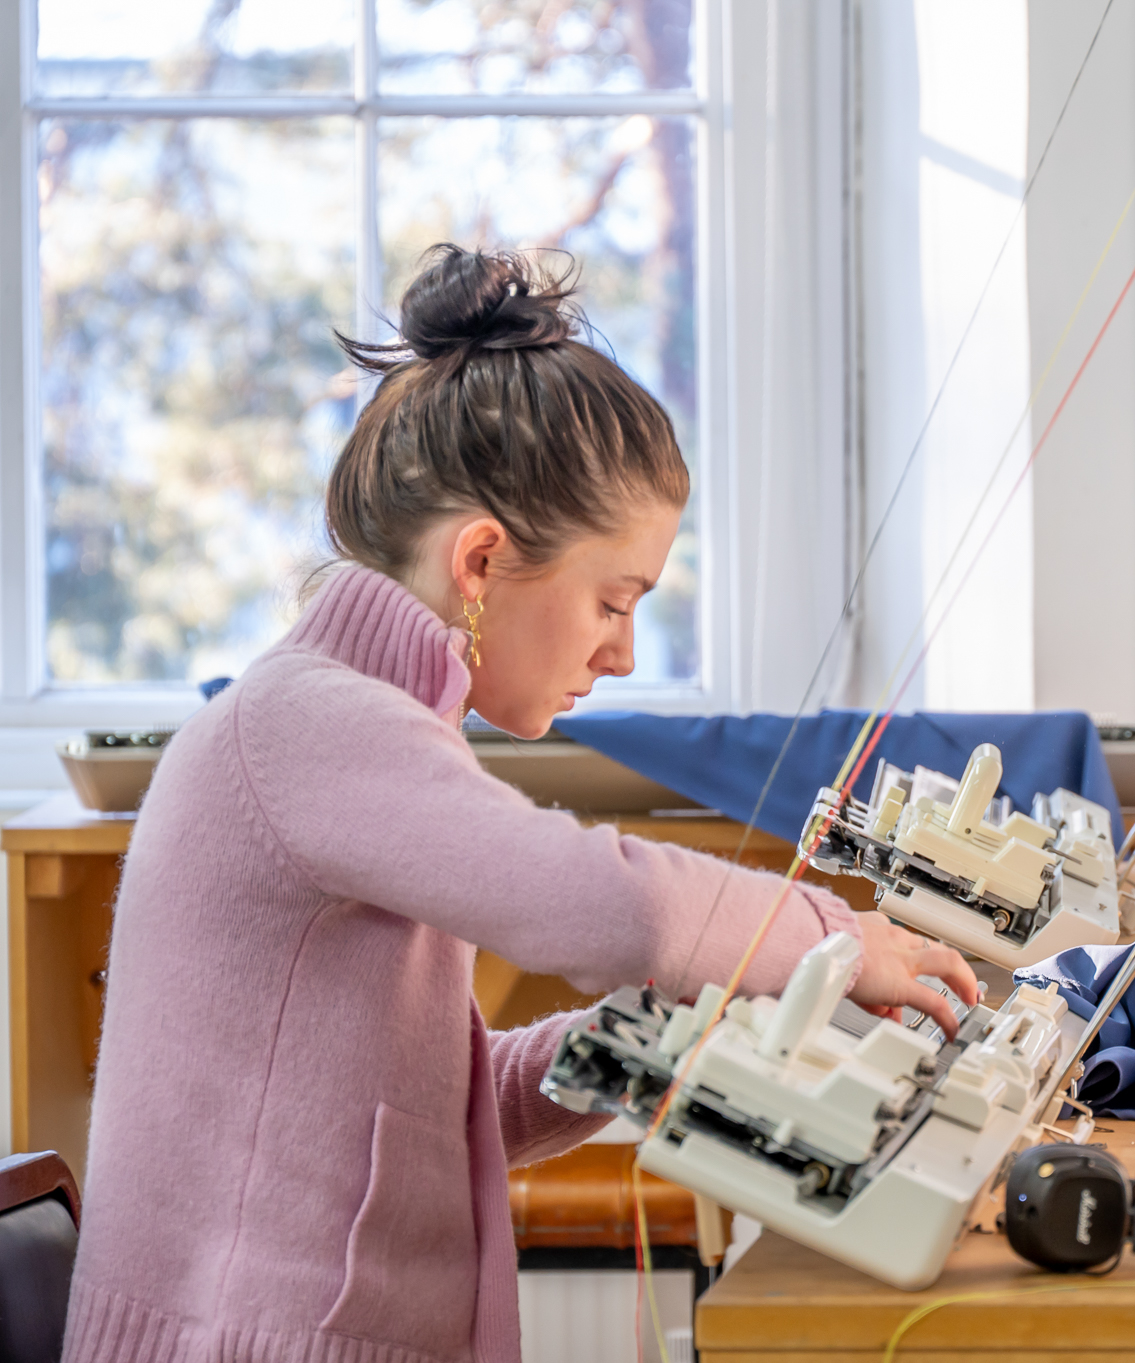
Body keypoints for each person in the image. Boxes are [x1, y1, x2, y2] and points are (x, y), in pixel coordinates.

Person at [61, 245, 978, 1363]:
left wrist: (660, 1035)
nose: (624, 652)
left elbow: (445, 1113)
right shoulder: (305, 727)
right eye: (612, 599)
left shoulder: (366, 736)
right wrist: (833, 939)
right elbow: (598, 906)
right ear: (484, 561)